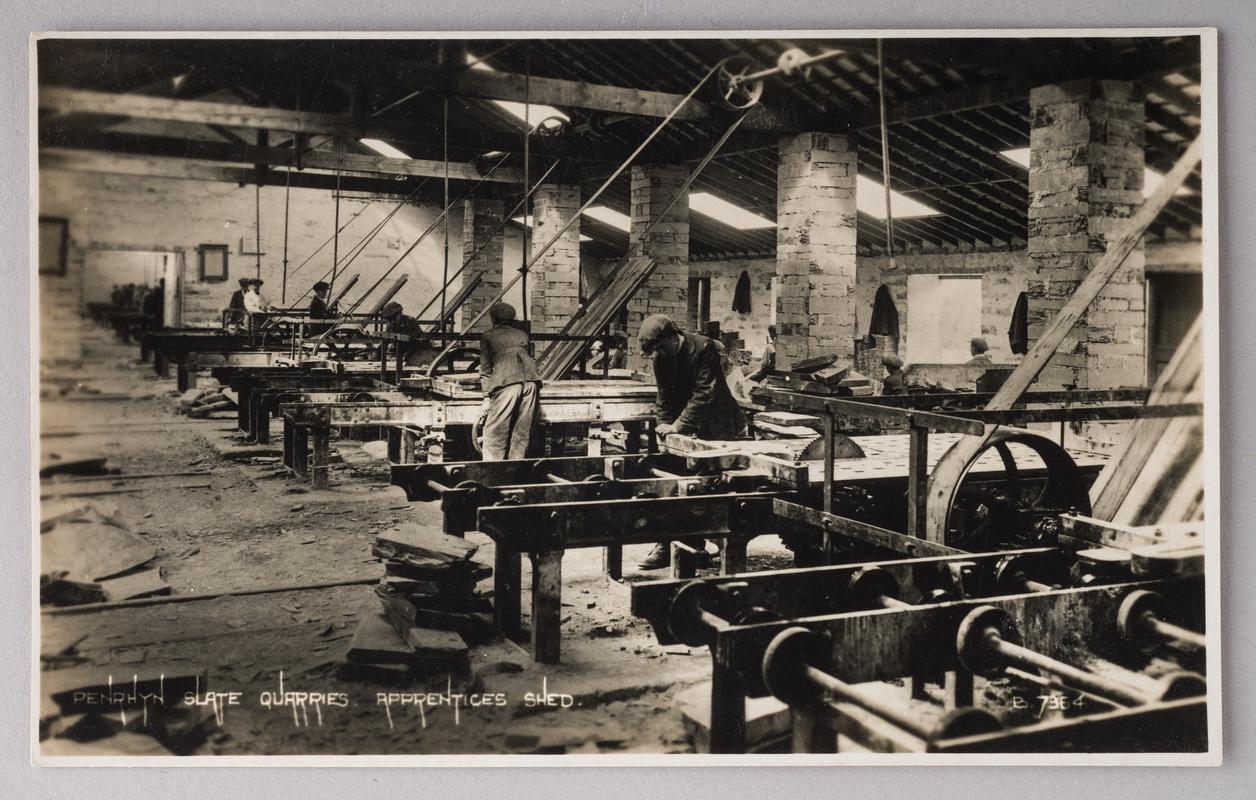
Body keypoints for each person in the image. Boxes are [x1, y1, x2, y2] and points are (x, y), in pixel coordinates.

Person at [637, 313, 747, 569]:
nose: (657, 355)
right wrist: (664, 433)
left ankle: (695, 548)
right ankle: (668, 545)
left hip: (719, 426)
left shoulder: (704, 348)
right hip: (686, 427)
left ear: (672, 337)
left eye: (660, 348)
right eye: (654, 352)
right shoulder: (661, 357)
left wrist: (678, 426)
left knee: (704, 486)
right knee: (671, 481)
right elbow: (663, 397)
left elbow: (704, 395)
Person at [479, 302, 542, 461]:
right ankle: (516, 469)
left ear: (493, 319)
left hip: (508, 382)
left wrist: (486, 398)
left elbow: (485, 371)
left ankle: (494, 471)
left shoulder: (488, 335)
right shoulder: (522, 335)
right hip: (531, 382)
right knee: (522, 431)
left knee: (495, 432)